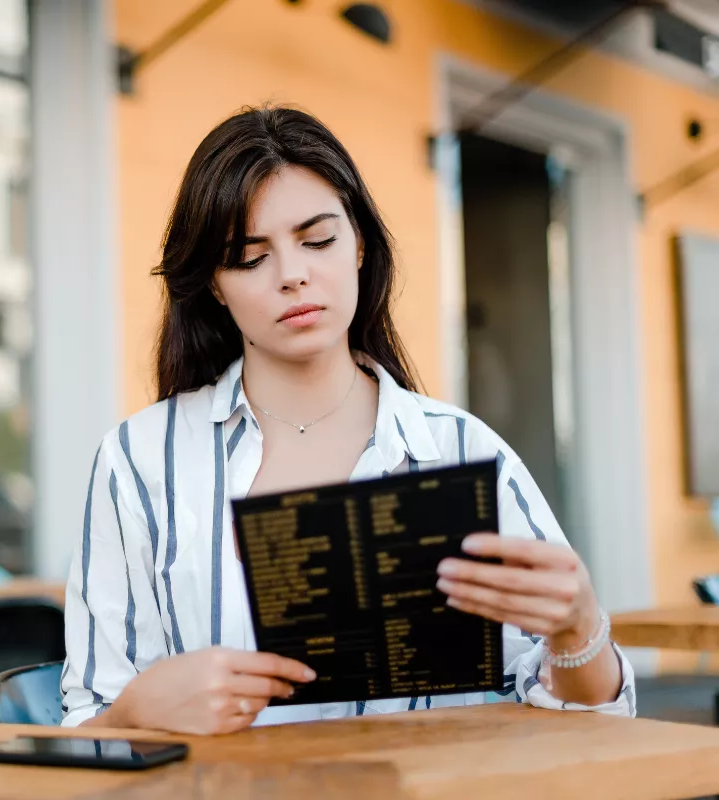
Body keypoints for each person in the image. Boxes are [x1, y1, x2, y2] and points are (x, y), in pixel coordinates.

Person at [60, 106, 634, 733]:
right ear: (215, 285)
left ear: (359, 244)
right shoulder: (140, 459)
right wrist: (136, 710)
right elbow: (85, 727)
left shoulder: (463, 450)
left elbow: (595, 721)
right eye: (249, 257)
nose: (293, 275)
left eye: (318, 241)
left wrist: (579, 628)